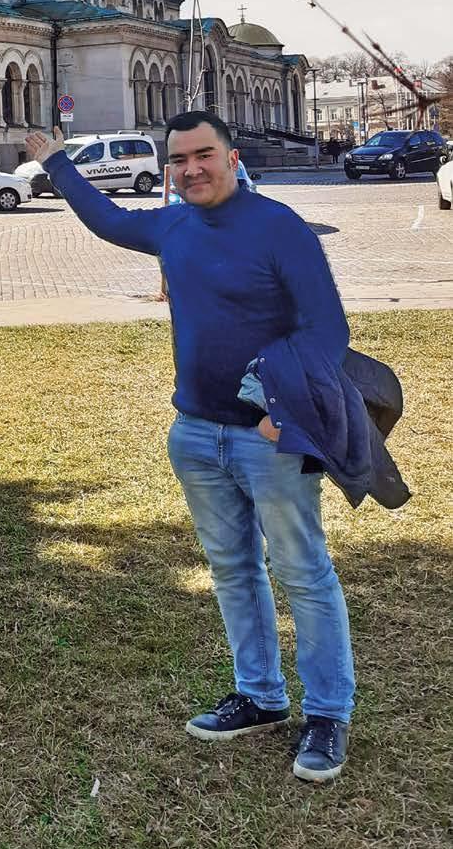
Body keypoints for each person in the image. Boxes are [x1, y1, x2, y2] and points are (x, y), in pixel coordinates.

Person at [26, 110, 356, 784]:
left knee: (302, 572)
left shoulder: (279, 227)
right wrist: (56, 162)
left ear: (232, 158)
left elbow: (327, 330)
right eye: (178, 160)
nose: (191, 169)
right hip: (197, 434)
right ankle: (260, 696)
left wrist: (284, 415)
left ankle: (327, 714)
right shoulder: (172, 226)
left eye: (203, 154)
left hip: (270, 439)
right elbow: (108, 220)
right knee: (233, 570)